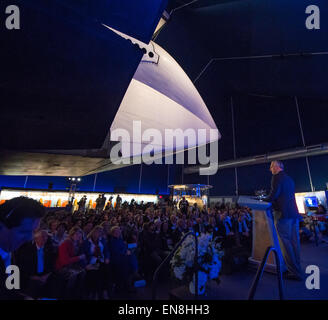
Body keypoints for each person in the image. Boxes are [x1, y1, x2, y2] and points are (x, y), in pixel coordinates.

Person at [264, 161, 303, 280]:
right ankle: (298, 269)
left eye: (271, 167)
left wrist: (264, 200)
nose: (270, 169)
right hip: (293, 214)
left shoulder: (276, 177)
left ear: (277, 167)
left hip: (283, 215)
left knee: (285, 244)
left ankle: (294, 272)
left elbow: (274, 194)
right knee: (294, 243)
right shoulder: (289, 179)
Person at [0, 197, 45, 299]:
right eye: (23, 232)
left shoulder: (12, 253)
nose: (30, 238)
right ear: (2, 226)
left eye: (33, 231)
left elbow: (10, 288)